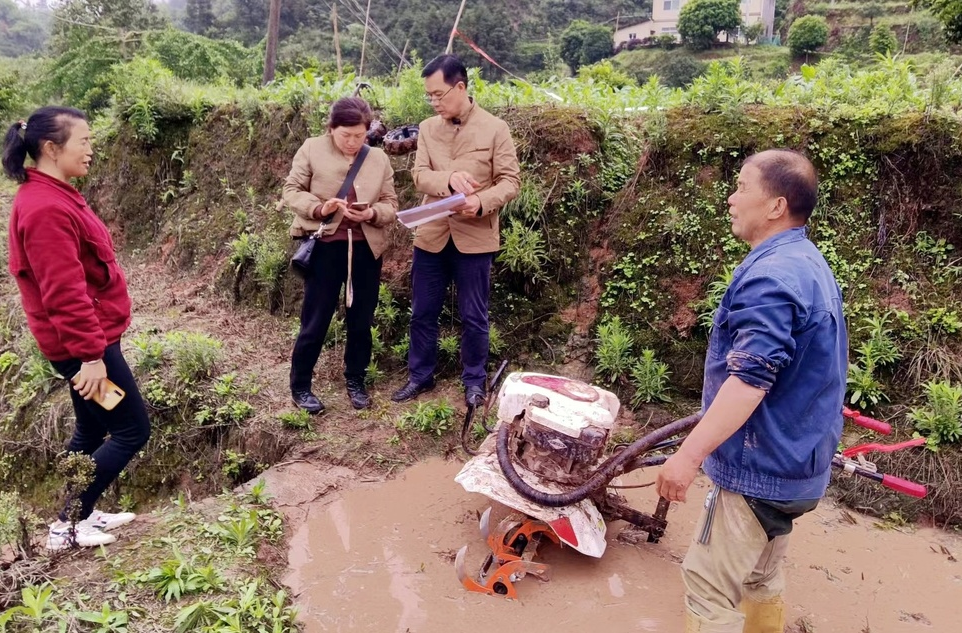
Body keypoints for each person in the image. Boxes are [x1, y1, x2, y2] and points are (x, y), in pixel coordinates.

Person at [655, 150, 848, 633]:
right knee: (760, 577)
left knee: (708, 587)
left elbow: (748, 382)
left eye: (742, 187)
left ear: (776, 205)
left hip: (759, 468)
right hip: (799, 465)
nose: (731, 198)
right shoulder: (808, 261)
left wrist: (688, 456)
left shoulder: (771, 278)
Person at [3, 107, 151, 550]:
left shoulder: (54, 194)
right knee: (131, 430)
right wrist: (91, 358)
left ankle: (76, 514)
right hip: (86, 348)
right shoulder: (45, 208)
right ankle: (68, 524)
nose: (91, 149)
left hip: (88, 342)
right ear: (52, 149)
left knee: (89, 431)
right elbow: (63, 293)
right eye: (83, 141)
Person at [391, 54, 520, 407]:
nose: (434, 102)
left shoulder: (496, 129)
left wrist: (479, 203)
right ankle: (420, 376)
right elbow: (418, 175)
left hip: (475, 237)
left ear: (460, 87)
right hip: (431, 235)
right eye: (429, 96)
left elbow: (510, 182)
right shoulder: (428, 128)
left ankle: (474, 382)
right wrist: (448, 180)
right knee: (422, 312)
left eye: (439, 95)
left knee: (474, 315)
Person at [283, 97, 398, 413]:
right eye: (345, 135)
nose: (352, 142)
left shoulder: (377, 159)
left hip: (366, 248)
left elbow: (391, 203)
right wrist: (320, 208)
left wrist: (372, 213)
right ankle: (301, 386)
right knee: (316, 319)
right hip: (325, 247)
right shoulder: (311, 148)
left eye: (359, 136)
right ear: (331, 128)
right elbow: (291, 190)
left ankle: (355, 380)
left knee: (361, 319)